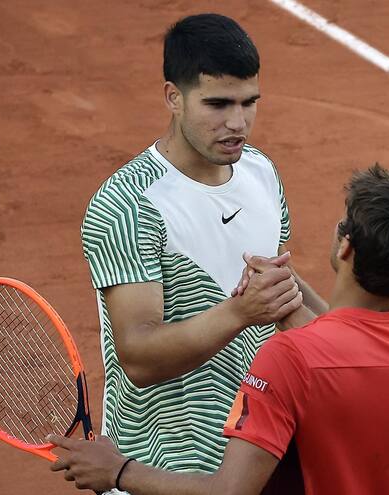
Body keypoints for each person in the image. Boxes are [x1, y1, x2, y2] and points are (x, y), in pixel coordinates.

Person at [55, 164, 389, 494]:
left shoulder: (291, 359)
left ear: (345, 246)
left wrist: (118, 470)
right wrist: (288, 291)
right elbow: (350, 346)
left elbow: (231, 491)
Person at [79, 12, 327, 479]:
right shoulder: (129, 204)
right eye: (217, 104)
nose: (238, 123)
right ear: (173, 97)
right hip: (167, 466)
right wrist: (240, 312)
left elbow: (278, 286)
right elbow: (139, 357)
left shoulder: (260, 171)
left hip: (262, 453)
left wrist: (346, 346)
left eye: (249, 102)